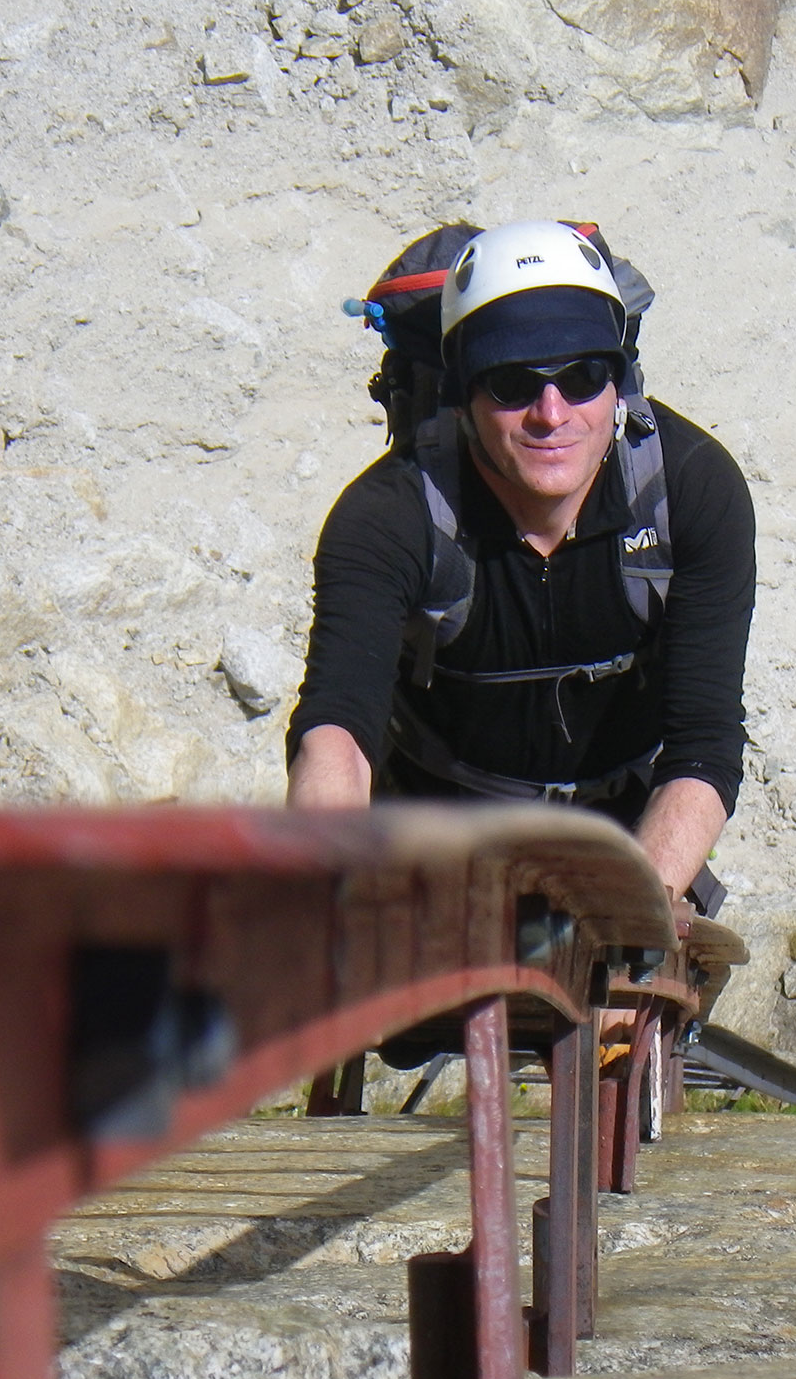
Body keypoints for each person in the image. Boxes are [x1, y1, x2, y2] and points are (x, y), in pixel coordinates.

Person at [285, 220, 755, 916]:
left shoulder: (691, 490)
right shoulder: (387, 518)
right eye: (511, 383)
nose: (551, 413)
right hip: (428, 843)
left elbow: (703, 744)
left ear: (620, 381)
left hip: (627, 844)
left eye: (583, 377)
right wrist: (329, 891)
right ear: (464, 393)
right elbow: (338, 729)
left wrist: (630, 920)